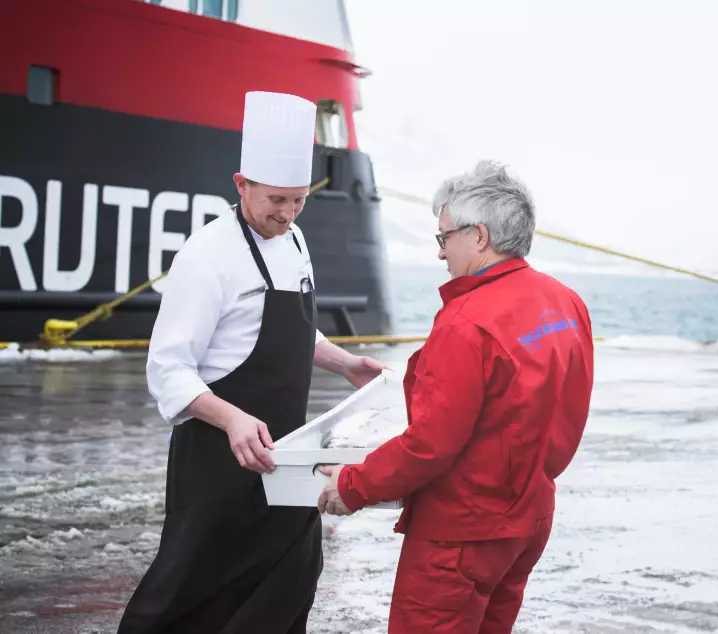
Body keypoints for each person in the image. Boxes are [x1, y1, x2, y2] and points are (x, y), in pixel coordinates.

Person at [117, 91, 385, 634]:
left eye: (299, 200)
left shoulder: (295, 240)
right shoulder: (205, 257)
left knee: (290, 584)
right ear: (241, 185)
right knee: (186, 593)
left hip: (287, 457)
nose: (287, 215)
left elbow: (289, 329)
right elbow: (167, 370)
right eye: (276, 201)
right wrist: (232, 418)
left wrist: (342, 362)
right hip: (216, 462)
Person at [317, 160, 596, 633]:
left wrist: (353, 485)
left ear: (479, 236)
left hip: (460, 534)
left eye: (444, 237)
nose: (441, 253)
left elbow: (432, 442)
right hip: (528, 519)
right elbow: (565, 409)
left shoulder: (467, 322)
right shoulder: (565, 303)